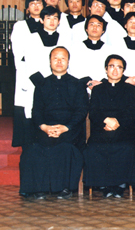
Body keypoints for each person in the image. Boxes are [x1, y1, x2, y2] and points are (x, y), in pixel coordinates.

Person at [19, 47, 88, 199]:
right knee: (35, 147)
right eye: (55, 58)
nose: (59, 61)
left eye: (62, 58)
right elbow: (36, 111)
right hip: (45, 128)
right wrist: (44, 127)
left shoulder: (77, 84)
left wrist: (65, 127)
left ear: (68, 62)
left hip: (70, 128)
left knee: (65, 147)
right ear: (50, 61)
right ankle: (38, 189)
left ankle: (64, 188)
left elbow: (81, 111)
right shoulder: (42, 84)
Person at [84, 55, 135, 198]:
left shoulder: (130, 89)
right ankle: (105, 185)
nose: (115, 70)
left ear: (123, 70)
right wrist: (106, 120)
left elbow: (133, 112)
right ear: (106, 69)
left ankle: (120, 185)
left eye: (119, 67)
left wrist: (117, 122)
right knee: (95, 147)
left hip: (124, 129)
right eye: (112, 66)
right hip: (102, 129)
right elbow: (93, 112)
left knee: (125, 147)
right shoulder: (98, 89)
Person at [11, 0, 46, 148]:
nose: (36, 6)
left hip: (46, 70)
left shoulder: (49, 24)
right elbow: (18, 52)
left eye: (39, 3)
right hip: (26, 71)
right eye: (32, 4)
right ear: (27, 8)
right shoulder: (20, 26)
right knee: (27, 106)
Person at [68, 15, 113, 89]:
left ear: (103, 30)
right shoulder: (75, 48)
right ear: (86, 29)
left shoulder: (110, 50)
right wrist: (87, 82)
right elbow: (73, 69)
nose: (95, 28)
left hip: (104, 88)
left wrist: (101, 83)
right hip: (81, 88)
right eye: (92, 24)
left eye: (98, 25)